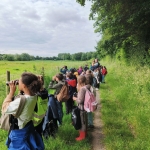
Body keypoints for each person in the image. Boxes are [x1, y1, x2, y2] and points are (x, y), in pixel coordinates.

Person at [2, 72, 44, 149]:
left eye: (19, 82)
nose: (18, 83)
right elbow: (24, 96)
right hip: (28, 126)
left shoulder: (21, 101)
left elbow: (4, 108)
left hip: (19, 132)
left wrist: (11, 93)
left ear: (24, 86)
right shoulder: (34, 95)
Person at [73, 75, 88, 141]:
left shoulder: (82, 89)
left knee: (82, 122)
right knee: (84, 121)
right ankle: (84, 134)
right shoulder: (87, 86)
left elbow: (80, 100)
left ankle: (82, 137)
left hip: (82, 108)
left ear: (79, 81)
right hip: (85, 107)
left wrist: (75, 98)